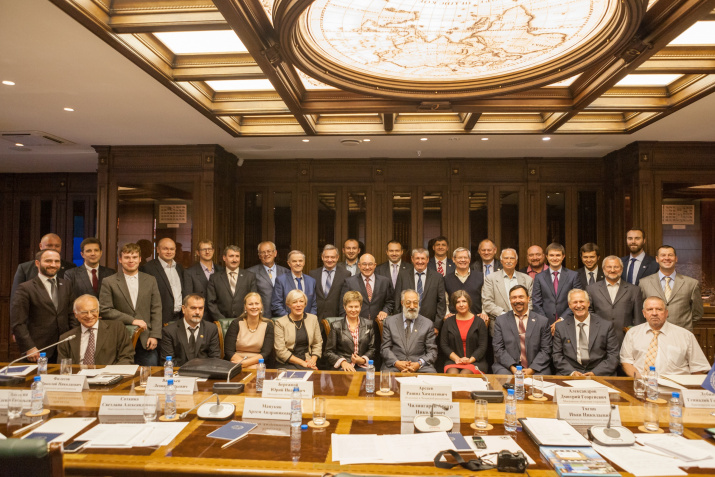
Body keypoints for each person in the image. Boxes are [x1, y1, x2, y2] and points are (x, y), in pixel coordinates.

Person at [99, 243, 162, 366]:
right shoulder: (109, 281)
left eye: (134, 257)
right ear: (120, 259)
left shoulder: (150, 280)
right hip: (120, 340)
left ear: (139, 259)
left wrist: (155, 335)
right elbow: (105, 309)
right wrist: (133, 320)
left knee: (148, 377)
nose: (131, 260)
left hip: (146, 339)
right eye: (127, 257)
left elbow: (156, 309)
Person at [620, 296, 710, 377]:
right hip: (642, 384)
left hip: (676, 388)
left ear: (666, 313)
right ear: (644, 313)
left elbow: (698, 368)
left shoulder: (685, 335)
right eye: (650, 309)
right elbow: (626, 362)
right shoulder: (632, 333)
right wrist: (641, 380)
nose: (654, 313)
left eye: (659, 309)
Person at [10, 249, 73, 362]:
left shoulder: (66, 285)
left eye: (56, 261)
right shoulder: (25, 288)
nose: (53, 265)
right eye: (48, 261)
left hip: (63, 349)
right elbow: (18, 323)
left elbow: (72, 315)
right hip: (37, 351)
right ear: (37, 263)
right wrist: (29, 347)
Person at [552, 289, 620, 376]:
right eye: (575, 302)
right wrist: (572, 372)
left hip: (599, 373)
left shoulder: (606, 326)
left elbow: (613, 356)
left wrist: (595, 373)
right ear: (569, 305)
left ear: (588, 303)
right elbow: (557, 356)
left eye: (582, 301)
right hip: (570, 373)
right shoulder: (561, 327)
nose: (579, 305)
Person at [638, 245, 703, 332]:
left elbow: (697, 314)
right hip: (653, 333)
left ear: (676, 258)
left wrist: (685, 327)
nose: (667, 258)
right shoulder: (644, 283)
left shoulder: (692, 284)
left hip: (681, 333)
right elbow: (640, 311)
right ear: (657, 259)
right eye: (663, 255)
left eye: (670, 255)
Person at [492, 285, 552, 375]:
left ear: (528, 299)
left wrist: (532, 369)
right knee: (505, 381)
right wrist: (512, 368)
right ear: (510, 300)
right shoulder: (501, 321)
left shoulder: (542, 321)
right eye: (514, 298)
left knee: (539, 385)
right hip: (507, 367)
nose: (517, 300)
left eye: (521, 297)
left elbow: (546, 350)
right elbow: (498, 348)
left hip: (536, 367)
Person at [58, 294, 134, 365]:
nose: (89, 316)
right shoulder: (66, 338)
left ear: (98, 311)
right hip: (78, 377)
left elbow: (126, 357)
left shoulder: (117, 328)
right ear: (75, 314)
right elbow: (63, 367)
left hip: (108, 376)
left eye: (93, 311)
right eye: (84, 312)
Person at [587, 255, 643, 344]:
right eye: (609, 267)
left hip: (625, 338)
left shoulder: (634, 290)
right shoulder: (591, 289)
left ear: (621, 269)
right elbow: (588, 313)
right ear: (603, 269)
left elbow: (638, 318)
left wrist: (637, 338)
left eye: (616, 267)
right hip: (599, 338)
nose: (612, 270)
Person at [381, 290, 438, 373]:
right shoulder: (390, 322)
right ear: (402, 303)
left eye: (415, 302)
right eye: (408, 302)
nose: (412, 306)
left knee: (433, 377)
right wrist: (397, 363)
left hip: (420, 367)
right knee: (385, 379)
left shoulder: (427, 324)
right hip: (395, 366)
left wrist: (419, 363)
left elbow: (432, 352)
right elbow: (385, 349)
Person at [532, 242, 583, 330]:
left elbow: (577, 301)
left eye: (558, 255)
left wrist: (561, 320)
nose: (555, 258)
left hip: (568, 323)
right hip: (545, 325)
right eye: (551, 255)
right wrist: (546, 322)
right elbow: (536, 303)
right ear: (547, 257)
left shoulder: (573, 276)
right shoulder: (539, 277)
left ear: (563, 256)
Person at [160, 294, 220, 367]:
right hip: (179, 373)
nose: (197, 312)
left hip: (204, 373)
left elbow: (215, 358)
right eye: (193, 308)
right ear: (183, 309)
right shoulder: (169, 331)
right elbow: (168, 361)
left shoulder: (211, 329)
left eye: (200, 308)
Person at [394, 248, 446, 332]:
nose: (420, 261)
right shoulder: (403, 275)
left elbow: (441, 303)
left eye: (423, 258)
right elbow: (397, 300)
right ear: (412, 259)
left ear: (428, 259)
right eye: (417, 258)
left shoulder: (437, 277)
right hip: (406, 324)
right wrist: (398, 324)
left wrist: (436, 326)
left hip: (430, 325)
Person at [11, 233, 76, 299]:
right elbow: (16, 297)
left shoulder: (70, 267)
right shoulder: (24, 268)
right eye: (49, 245)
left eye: (57, 246)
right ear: (40, 246)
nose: (53, 248)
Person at [481, 248, 533, 331]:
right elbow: (487, 303)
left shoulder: (527, 279)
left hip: (523, 324)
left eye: (512, 258)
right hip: (499, 324)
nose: (509, 261)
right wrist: (506, 316)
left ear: (516, 261)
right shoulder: (490, 279)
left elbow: (530, 301)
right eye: (506, 258)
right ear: (501, 261)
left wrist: (521, 315)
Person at [324, 291, 375, 372]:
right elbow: (329, 352)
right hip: (343, 367)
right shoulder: (336, 326)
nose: (353, 310)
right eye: (350, 307)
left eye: (356, 306)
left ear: (361, 307)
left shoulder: (368, 324)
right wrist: (343, 362)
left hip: (363, 366)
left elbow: (372, 349)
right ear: (344, 307)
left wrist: (363, 360)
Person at [440, 290, 488, 374]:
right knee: (452, 374)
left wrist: (470, 360)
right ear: (454, 305)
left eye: (464, 301)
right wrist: (457, 359)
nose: (461, 305)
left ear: (469, 303)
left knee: (464, 375)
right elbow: (444, 345)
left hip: (475, 361)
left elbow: (482, 346)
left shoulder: (479, 322)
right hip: (453, 361)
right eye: (458, 302)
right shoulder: (448, 322)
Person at [224, 292, 274, 369]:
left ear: (261, 306)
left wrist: (246, 364)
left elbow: (266, 353)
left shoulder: (268, 325)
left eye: (257, 303)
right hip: (235, 363)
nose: (254, 307)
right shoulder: (236, 323)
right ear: (245, 307)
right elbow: (228, 351)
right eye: (250, 304)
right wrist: (242, 364)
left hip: (257, 364)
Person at [207, 245, 258, 321]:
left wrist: (245, 318)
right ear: (224, 258)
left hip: (245, 322)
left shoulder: (250, 276)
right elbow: (211, 302)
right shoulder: (215, 278)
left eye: (237, 256)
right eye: (231, 256)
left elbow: (253, 300)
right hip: (222, 323)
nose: (235, 259)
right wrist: (223, 321)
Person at [141, 238, 185, 324]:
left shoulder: (179, 268)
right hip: (160, 319)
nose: (169, 252)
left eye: (172, 249)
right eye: (165, 249)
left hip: (180, 318)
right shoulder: (148, 268)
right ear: (157, 250)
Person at [340, 253, 394, 321]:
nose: (367, 267)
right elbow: (343, 306)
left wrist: (385, 311)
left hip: (378, 325)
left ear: (375, 265)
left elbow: (390, 302)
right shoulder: (349, 282)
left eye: (370, 264)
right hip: (357, 326)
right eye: (364, 264)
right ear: (359, 265)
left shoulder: (385, 281)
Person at [246, 241, 288, 318]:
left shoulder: (286, 272)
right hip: (261, 316)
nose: (266, 254)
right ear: (259, 255)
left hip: (283, 316)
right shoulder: (250, 272)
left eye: (269, 251)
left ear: (275, 253)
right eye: (263, 252)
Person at [183, 240, 223, 320]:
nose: (207, 252)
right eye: (204, 250)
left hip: (220, 316)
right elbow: (188, 298)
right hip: (200, 317)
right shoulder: (189, 273)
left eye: (210, 249)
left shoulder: (221, 270)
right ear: (198, 252)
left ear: (213, 251)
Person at [309, 244, 351, 319]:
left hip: (336, 318)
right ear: (322, 257)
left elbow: (345, 298)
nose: (329, 260)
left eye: (332, 257)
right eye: (327, 257)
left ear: (337, 257)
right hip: (316, 318)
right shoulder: (313, 274)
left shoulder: (346, 274)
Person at [271, 250, 317, 317]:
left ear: (304, 263)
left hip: (307, 322)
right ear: (289, 263)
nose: (298, 263)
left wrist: (308, 318)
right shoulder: (281, 280)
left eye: (300, 261)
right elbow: (276, 305)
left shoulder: (311, 281)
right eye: (294, 261)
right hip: (288, 323)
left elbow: (314, 305)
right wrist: (291, 319)